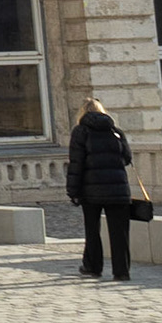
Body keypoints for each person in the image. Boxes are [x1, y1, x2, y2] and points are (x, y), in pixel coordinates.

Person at [67, 97, 135, 281]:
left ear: (82, 112)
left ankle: (93, 266)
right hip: (118, 189)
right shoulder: (115, 131)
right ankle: (121, 272)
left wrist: (73, 192)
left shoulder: (80, 132)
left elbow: (76, 164)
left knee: (92, 230)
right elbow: (127, 158)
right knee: (119, 232)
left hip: (91, 189)